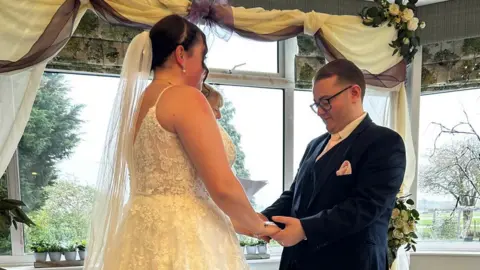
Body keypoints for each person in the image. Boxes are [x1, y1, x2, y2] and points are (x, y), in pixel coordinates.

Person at [84, 15, 279, 270]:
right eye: (202, 57)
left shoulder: (141, 103)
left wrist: (252, 224)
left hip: (140, 233)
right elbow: (221, 187)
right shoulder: (184, 97)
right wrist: (261, 226)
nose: (204, 69)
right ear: (181, 54)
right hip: (185, 236)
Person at [260, 59, 407, 270]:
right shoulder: (315, 145)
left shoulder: (385, 142)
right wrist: (264, 218)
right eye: (317, 104)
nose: (320, 111)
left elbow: (366, 206)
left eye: (326, 101)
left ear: (354, 93)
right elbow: (295, 196)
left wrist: (305, 229)